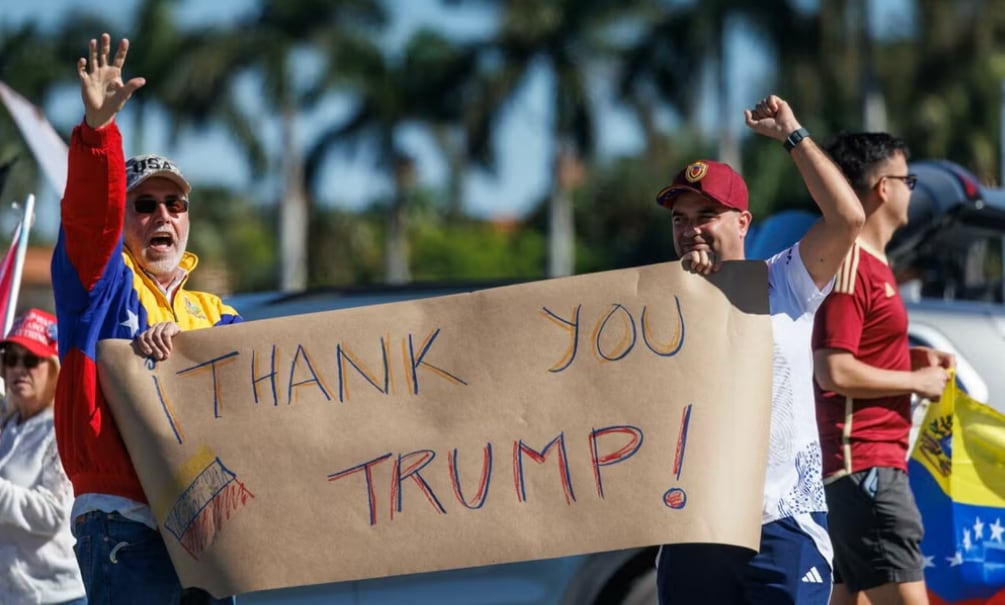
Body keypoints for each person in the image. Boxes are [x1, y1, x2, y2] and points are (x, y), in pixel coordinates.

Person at [51, 34, 241, 604]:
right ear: (125, 220)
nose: (162, 214)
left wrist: (188, 345)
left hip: (210, 522)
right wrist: (97, 134)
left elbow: (257, 389)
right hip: (125, 520)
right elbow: (90, 220)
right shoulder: (100, 287)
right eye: (144, 204)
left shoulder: (218, 312)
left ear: (187, 220)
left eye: (175, 204)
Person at [654, 95, 866, 604]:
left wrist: (793, 134)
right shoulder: (653, 309)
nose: (690, 229)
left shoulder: (784, 280)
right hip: (695, 526)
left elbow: (847, 218)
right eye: (680, 219)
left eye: (706, 214)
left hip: (782, 523)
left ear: (742, 222)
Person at [813, 132, 953, 605]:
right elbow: (833, 370)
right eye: (907, 178)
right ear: (883, 188)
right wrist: (916, 381)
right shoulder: (853, 264)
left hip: (868, 471)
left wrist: (915, 360)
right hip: (865, 468)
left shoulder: (875, 265)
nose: (912, 190)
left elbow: (855, 353)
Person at [0, 309, 87, 605]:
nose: (18, 369)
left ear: (52, 367)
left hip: (56, 595)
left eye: (30, 360)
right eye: (10, 359)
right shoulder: (7, 423)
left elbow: (54, 514)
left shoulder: (62, 428)